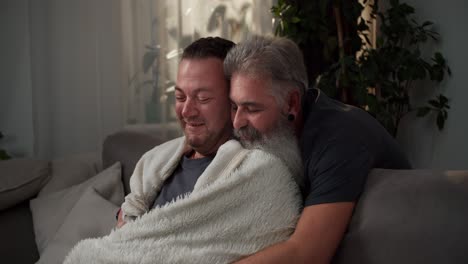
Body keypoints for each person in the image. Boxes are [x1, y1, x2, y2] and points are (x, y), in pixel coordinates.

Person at [63, 37, 303, 264]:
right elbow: (121, 241)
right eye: (180, 97)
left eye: (203, 98)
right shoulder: (151, 163)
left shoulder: (259, 173)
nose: (187, 111)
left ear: (234, 100)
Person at [224, 35, 411, 263]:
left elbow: (307, 254)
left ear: (292, 103)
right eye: (234, 106)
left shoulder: (341, 138)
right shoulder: (280, 136)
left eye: (251, 109)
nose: (237, 122)